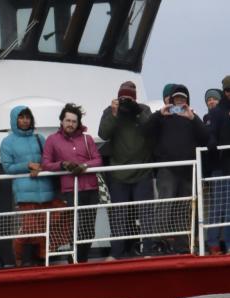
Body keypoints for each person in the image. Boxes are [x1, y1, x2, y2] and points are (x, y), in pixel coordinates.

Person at [141, 84, 208, 254]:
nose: (180, 101)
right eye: (177, 98)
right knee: (165, 206)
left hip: (187, 170)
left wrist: (193, 118)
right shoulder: (162, 117)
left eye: (183, 98)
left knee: (183, 210)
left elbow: (206, 138)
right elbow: (145, 131)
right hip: (168, 169)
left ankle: (182, 246)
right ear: (171, 100)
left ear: (187, 101)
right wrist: (159, 113)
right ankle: (157, 243)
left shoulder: (193, 118)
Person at [0, 105, 63, 266]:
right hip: (25, 193)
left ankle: (42, 259)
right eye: (21, 117)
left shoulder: (39, 138)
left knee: (48, 225)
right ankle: (19, 258)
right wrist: (28, 166)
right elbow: (8, 168)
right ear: (14, 120)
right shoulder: (7, 142)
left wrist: (41, 167)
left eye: (28, 117)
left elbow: (47, 160)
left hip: (46, 189)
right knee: (30, 228)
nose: (25, 120)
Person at [98, 81, 154, 259]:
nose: (126, 102)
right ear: (117, 98)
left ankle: (147, 252)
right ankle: (116, 254)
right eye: (123, 98)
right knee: (118, 216)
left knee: (146, 214)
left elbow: (151, 129)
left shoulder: (143, 110)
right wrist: (114, 114)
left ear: (135, 99)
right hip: (118, 173)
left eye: (129, 98)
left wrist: (137, 110)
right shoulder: (110, 111)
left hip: (142, 170)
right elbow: (103, 134)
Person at [42, 103, 104, 263]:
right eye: (67, 120)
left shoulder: (87, 138)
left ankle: (81, 260)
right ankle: (73, 260)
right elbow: (46, 163)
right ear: (61, 121)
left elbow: (98, 160)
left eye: (74, 121)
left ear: (78, 123)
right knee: (73, 228)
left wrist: (84, 166)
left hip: (90, 188)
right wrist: (62, 164)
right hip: (70, 190)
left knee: (88, 229)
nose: (70, 124)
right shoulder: (52, 140)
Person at [205, 76, 230, 254]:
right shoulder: (216, 112)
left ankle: (228, 244)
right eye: (228, 90)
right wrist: (212, 142)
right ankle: (213, 243)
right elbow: (210, 134)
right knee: (218, 206)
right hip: (221, 164)